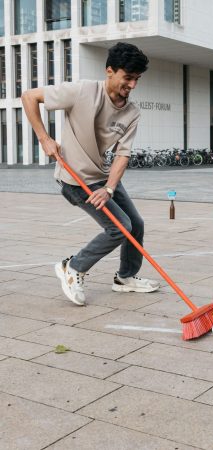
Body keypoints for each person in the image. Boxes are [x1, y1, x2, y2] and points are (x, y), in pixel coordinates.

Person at [21, 42, 160, 306]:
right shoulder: (82, 91)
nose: (132, 85)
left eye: (137, 79)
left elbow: (123, 155)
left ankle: (126, 278)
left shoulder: (132, 112)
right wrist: (44, 138)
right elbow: (29, 97)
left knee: (136, 224)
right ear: (110, 71)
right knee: (120, 228)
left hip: (102, 178)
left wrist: (108, 188)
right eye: (128, 78)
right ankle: (73, 267)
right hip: (75, 179)